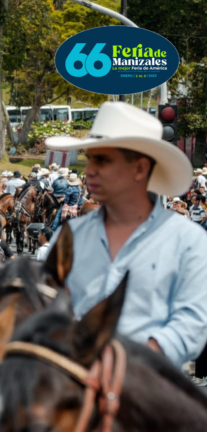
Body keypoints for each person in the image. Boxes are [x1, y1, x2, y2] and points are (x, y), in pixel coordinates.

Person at [46, 101, 207, 368]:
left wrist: (131, 362)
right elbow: (47, 307)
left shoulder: (188, 241)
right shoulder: (71, 235)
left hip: (150, 390)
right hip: (70, 384)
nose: (89, 170)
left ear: (140, 169)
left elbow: (194, 321)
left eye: (103, 160)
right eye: (90, 159)